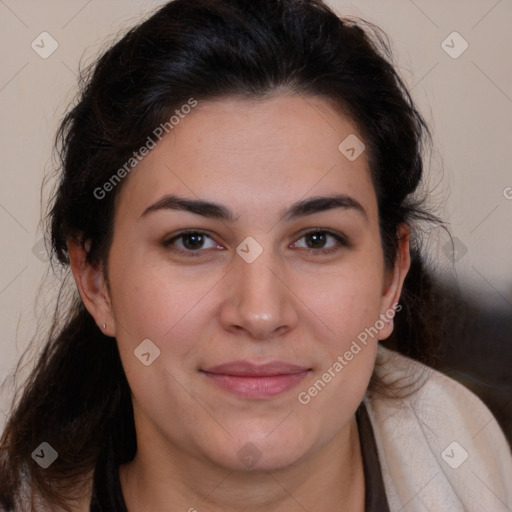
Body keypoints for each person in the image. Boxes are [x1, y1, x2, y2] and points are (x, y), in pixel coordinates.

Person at [0, 0, 511, 510]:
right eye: (193, 240)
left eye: (317, 239)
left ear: (391, 278)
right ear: (94, 279)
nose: (261, 312)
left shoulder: (476, 463)